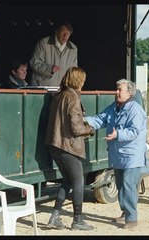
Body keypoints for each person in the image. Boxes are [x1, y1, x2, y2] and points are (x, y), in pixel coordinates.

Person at [85, 79, 147, 230]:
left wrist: (118, 134)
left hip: (132, 156)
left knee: (128, 186)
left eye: (120, 90)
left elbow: (134, 131)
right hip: (118, 155)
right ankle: (125, 213)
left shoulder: (136, 111)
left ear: (129, 93)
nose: (117, 92)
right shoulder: (114, 107)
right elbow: (101, 119)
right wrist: (83, 120)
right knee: (120, 185)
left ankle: (132, 218)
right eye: (117, 89)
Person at [44, 67, 95, 231]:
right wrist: (90, 129)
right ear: (77, 80)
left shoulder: (59, 95)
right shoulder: (73, 98)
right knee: (79, 182)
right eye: (83, 80)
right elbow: (76, 129)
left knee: (67, 181)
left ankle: (55, 216)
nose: (84, 82)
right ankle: (77, 220)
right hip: (68, 147)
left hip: (54, 145)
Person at [30, 21, 78, 87]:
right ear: (56, 31)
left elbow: (74, 71)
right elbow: (34, 62)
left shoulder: (73, 49)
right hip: (42, 88)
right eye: (63, 32)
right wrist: (50, 69)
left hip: (62, 90)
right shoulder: (44, 43)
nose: (65, 36)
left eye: (68, 34)